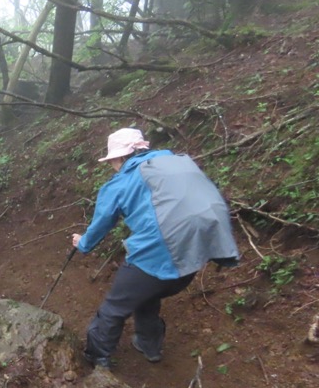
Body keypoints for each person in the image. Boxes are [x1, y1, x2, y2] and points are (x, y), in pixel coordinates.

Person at [71, 128, 239, 369]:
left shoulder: (121, 183)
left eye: (111, 161)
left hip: (160, 249)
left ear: (119, 158)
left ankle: (97, 358)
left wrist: (83, 243)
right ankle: (150, 346)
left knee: (114, 308)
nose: (112, 166)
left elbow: (101, 224)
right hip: (198, 252)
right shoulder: (179, 163)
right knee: (146, 291)